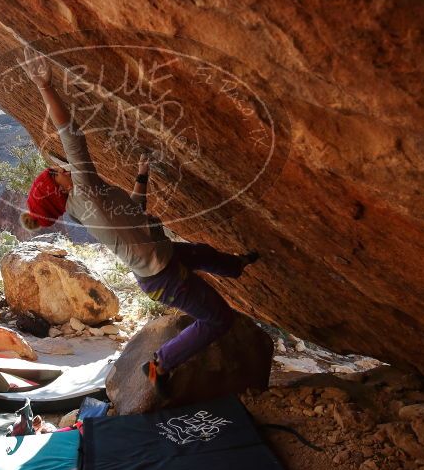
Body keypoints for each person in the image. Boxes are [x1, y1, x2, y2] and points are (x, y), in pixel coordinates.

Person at [18, 48, 259, 396]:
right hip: (162, 275)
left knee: (200, 253)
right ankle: (160, 363)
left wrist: (142, 177)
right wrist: (44, 86)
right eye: (55, 173)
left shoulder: (90, 199)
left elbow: (135, 211)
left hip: (160, 259)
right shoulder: (84, 192)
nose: (60, 168)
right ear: (59, 189)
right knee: (218, 319)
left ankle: (236, 266)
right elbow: (71, 134)